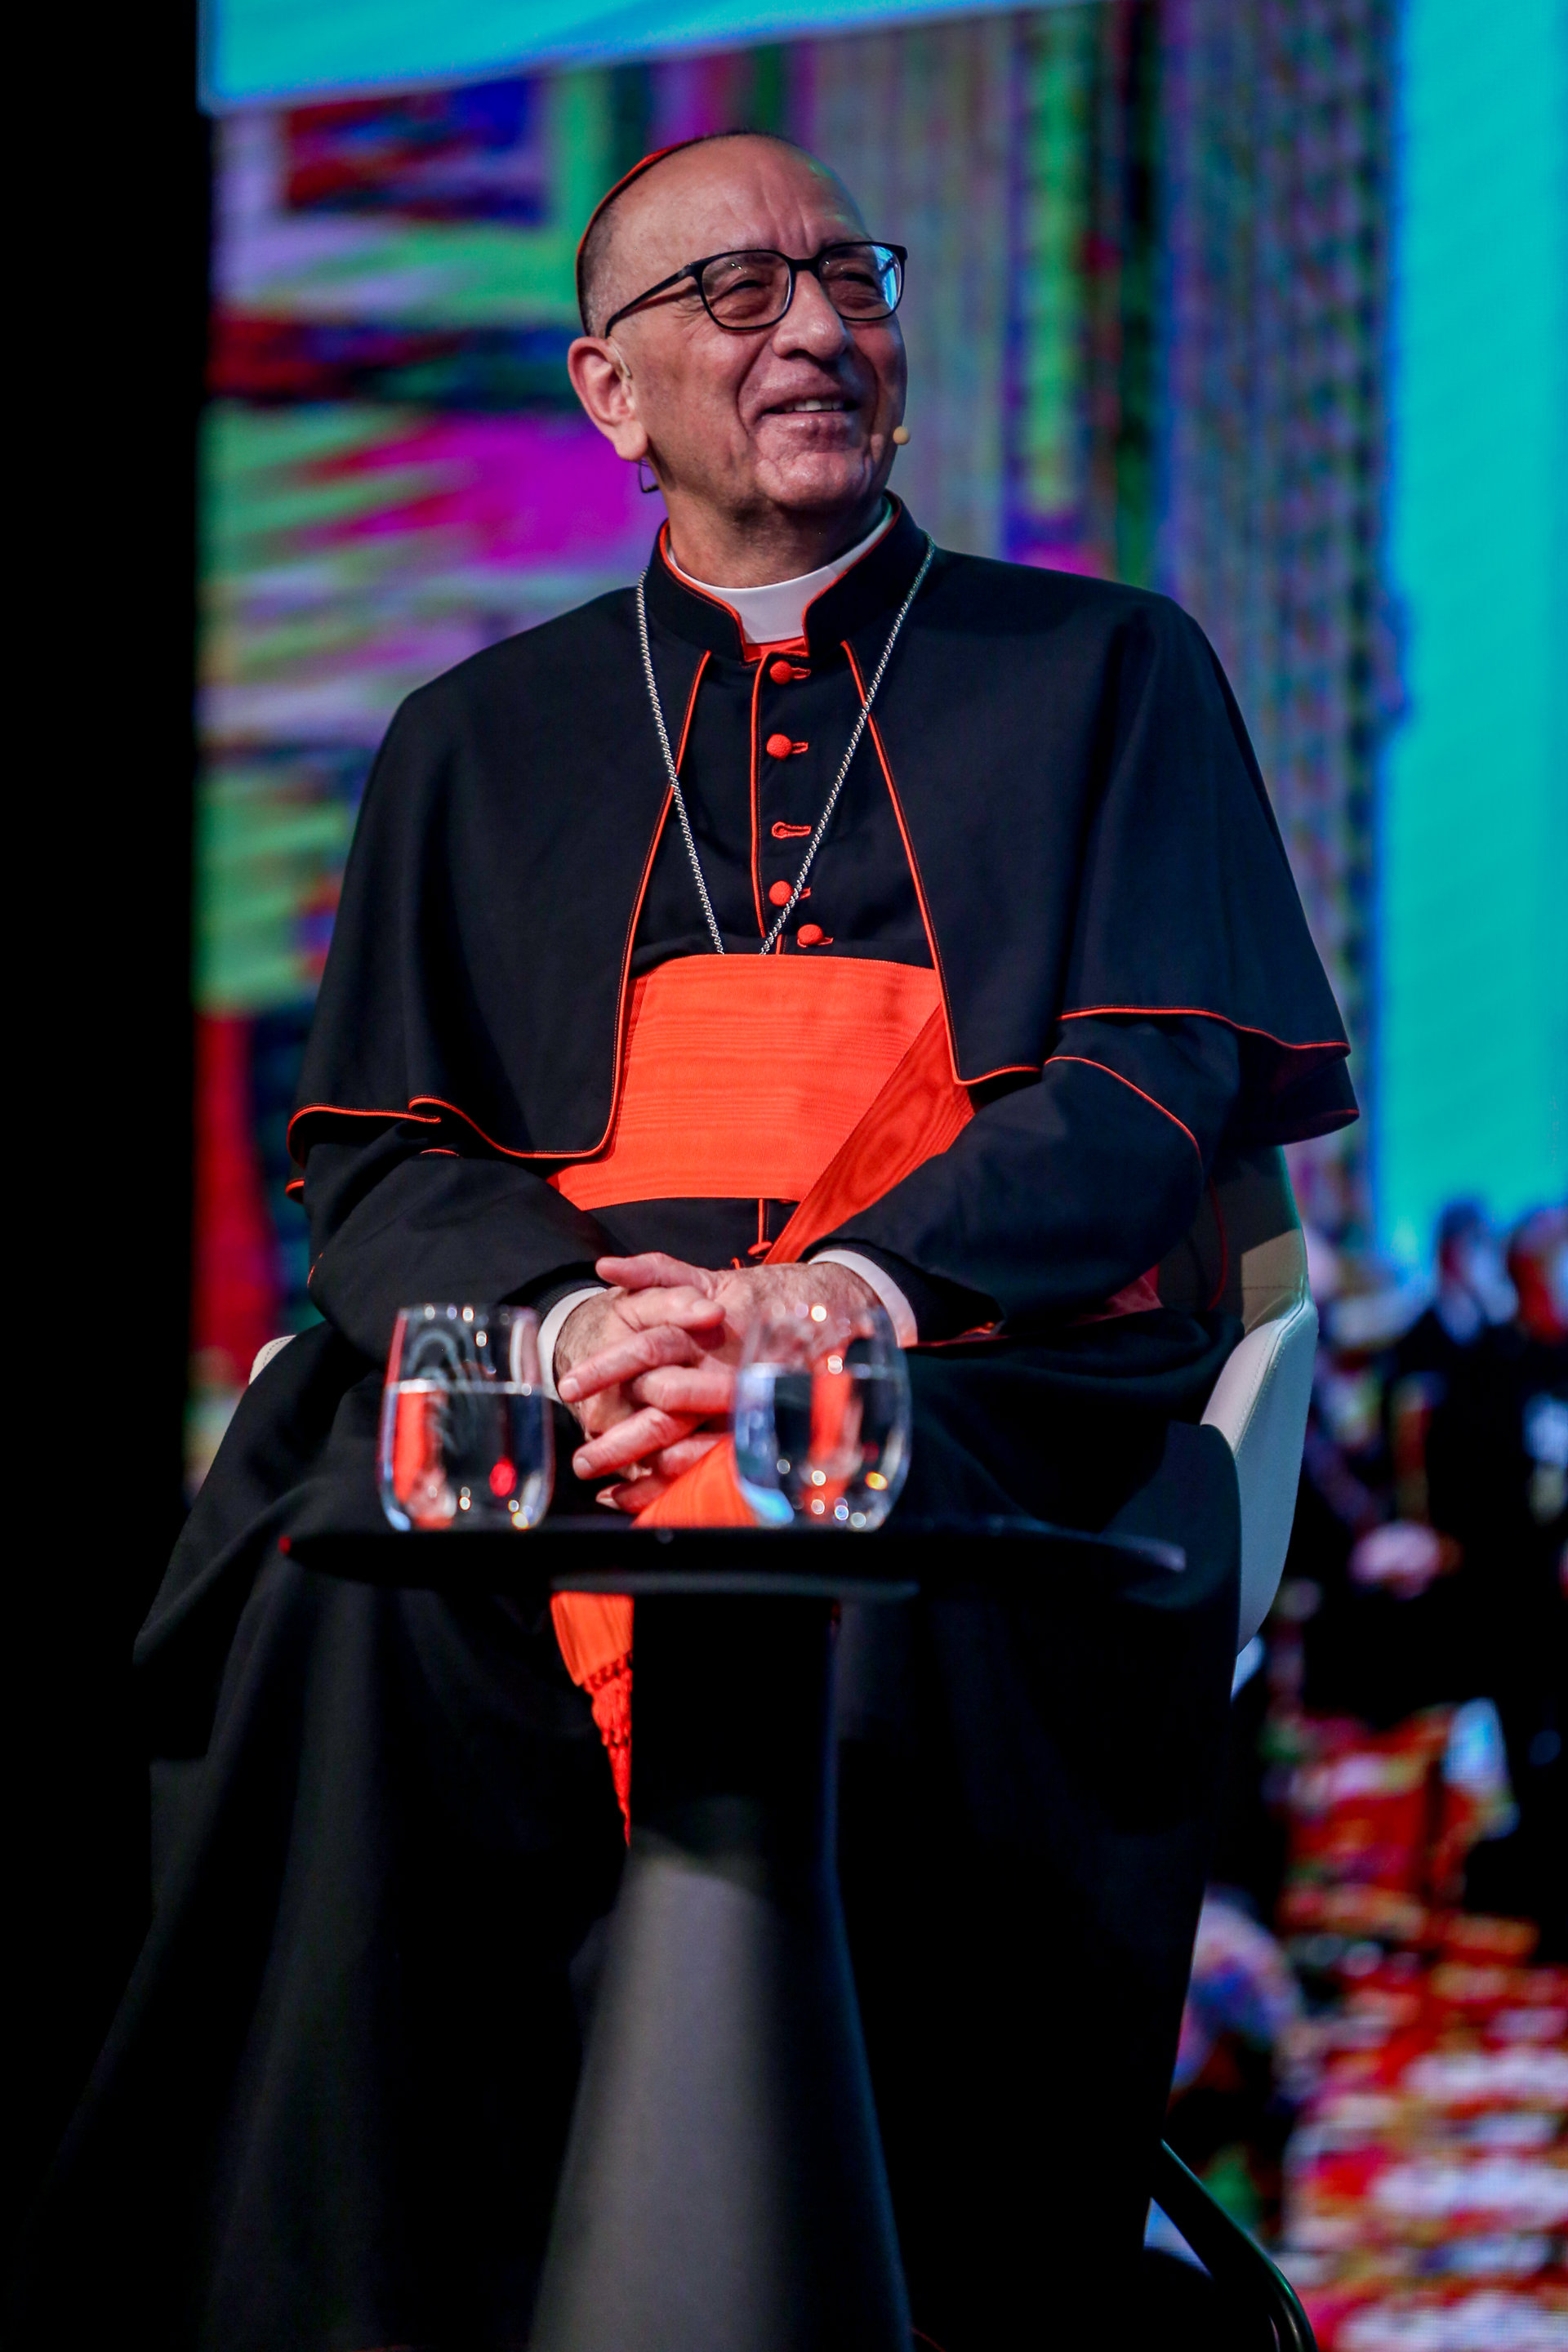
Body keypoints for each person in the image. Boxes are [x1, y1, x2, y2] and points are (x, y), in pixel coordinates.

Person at [11, 131, 1355, 2350]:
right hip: (574, 1386)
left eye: (849, 279)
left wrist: (836, 1296)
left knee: (876, 1554)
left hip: (967, 1358)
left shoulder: (1112, 668)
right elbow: (386, 1169)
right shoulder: (472, 737)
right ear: (609, 392)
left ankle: (881, 2276)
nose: (814, 328)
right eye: (737, 295)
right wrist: (569, 1334)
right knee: (343, 1584)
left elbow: (1145, 1093)